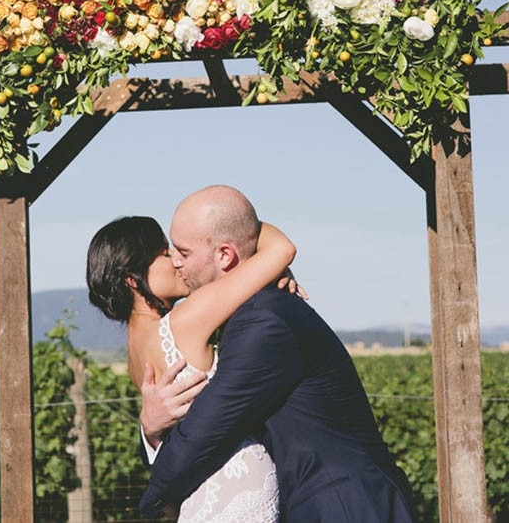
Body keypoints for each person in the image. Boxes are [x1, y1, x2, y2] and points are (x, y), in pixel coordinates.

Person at [138, 185, 418, 523]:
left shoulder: (262, 322)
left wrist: (152, 500)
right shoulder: (250, 310)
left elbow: (205, 430)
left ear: (225, 256)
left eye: (182, 251)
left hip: (343, 505)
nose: (175, 263)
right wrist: (151, 430)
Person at [86, 211, 299, 521]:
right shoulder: (186, 321)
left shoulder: (134, 350)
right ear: (133, 280)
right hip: (237, 492)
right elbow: (281, 249)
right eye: (163, 252)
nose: (175, 259)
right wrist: (236, 222)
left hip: (198, 500)